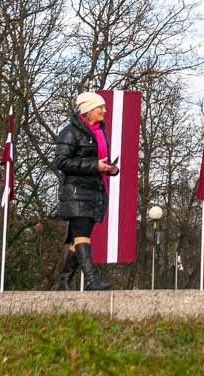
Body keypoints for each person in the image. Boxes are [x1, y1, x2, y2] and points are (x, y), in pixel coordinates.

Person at [54, 92, 119, 291]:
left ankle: (63, 282)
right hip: (76, 191)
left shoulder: (100, 132)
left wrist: (110, 169)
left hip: (94, 191)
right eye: (101, 108)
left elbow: (100, 161)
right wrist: (94, 166)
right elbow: (62, 161)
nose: (105, 111)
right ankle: (92, 281)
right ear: (89, 110)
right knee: (82, 236)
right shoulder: (70, 132)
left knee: (76, 241)